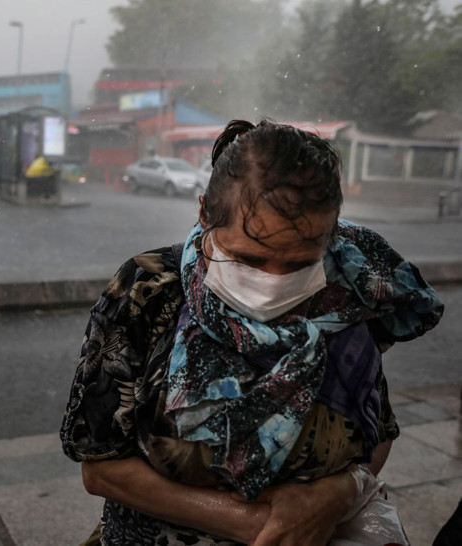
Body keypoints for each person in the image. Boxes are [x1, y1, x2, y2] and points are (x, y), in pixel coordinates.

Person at [60, 119, 444, 545]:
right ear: (205, 211)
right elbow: (101, 467)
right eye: (249, 259)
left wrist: (338, 492)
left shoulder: (347, 295)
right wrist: (258, 525)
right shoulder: (150, 290)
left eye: (299, 263)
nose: (274, 280)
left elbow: (376, 432)